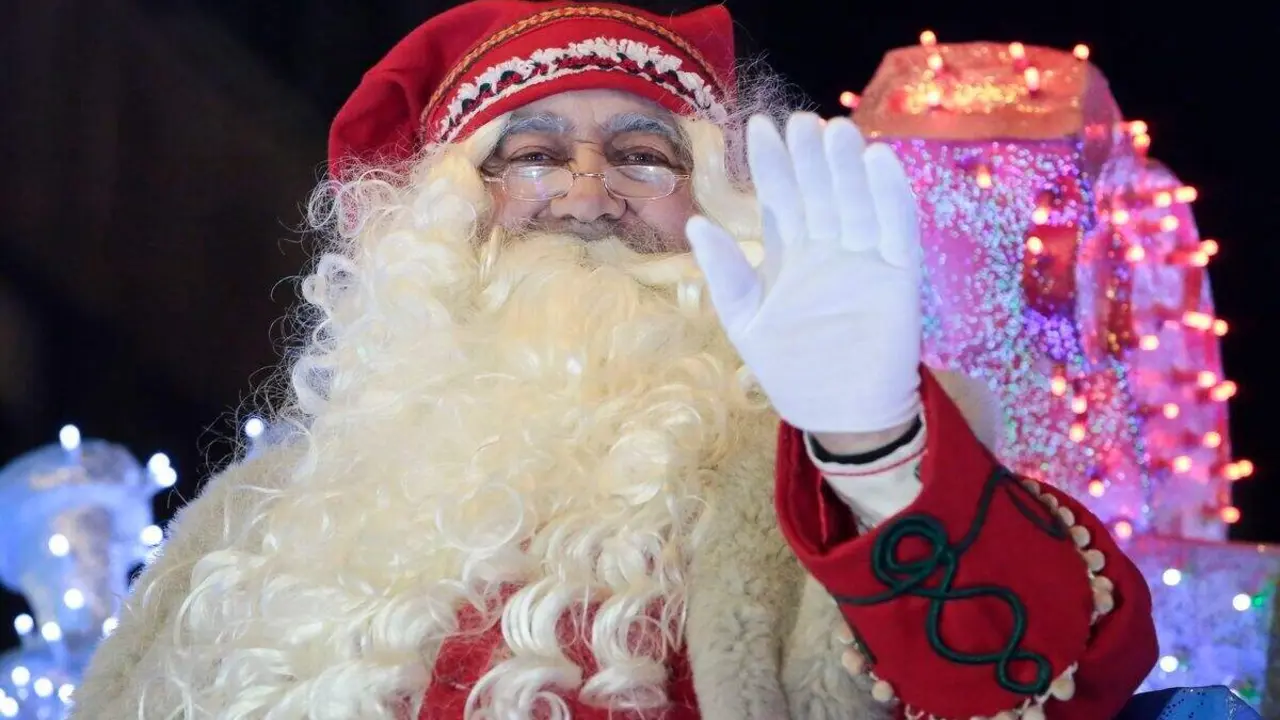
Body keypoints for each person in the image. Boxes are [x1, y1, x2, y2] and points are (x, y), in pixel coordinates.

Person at [74, 1, 1243, 718]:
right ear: (442, 221)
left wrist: (871, 447)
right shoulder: (260, 524)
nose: (588, 190)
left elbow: (1055, 681)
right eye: (533, 155)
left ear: (713, 209)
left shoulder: (816, 466)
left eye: (642, 154)